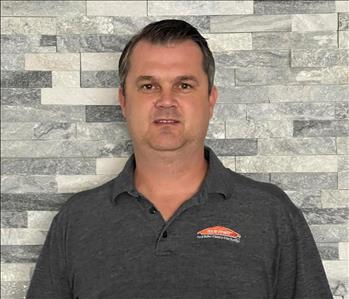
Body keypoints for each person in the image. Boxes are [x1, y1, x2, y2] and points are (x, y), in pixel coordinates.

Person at [26, 19, 332, 299]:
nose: (166, 101)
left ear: (211, 99)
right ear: (123, 101)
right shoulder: (77, 221)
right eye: (149, 86)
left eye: (183, 85)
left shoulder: (272, 214)